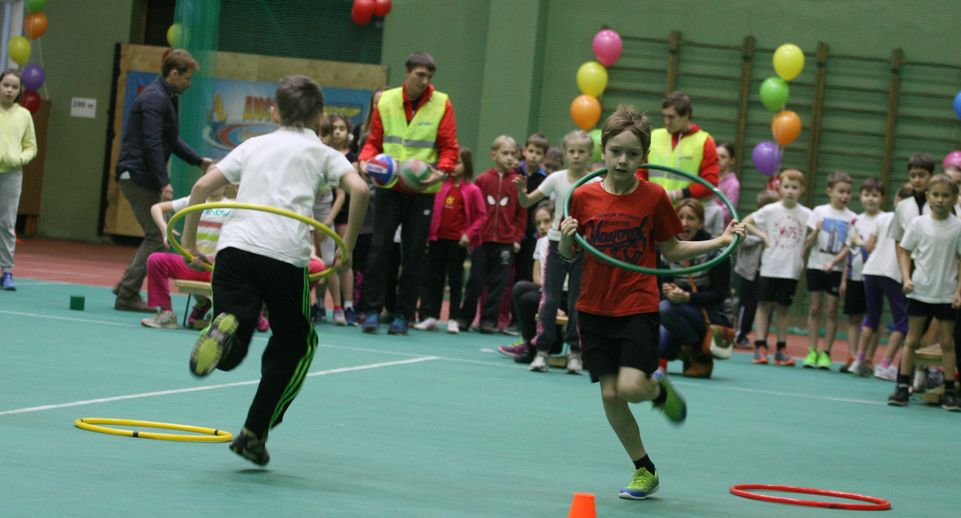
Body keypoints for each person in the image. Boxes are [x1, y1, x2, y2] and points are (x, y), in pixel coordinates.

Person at [180, 75, 369, 465]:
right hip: (284, 255)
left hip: (234, 249)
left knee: (235, 334)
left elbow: (200, 190)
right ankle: (254, 432)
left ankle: (226, 324)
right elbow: (361, 190)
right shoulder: (323, 153)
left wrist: (188, 241)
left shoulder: (253, 144)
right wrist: (345, 251)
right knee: (295, 343)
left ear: (273, 112)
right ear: (320, 117)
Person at [559, 105, 744, 500]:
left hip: (637, 302)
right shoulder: (583, 197)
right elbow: (571, 254)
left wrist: (720, 241)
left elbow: (672, 248)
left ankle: (658, 391)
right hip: (593, 307)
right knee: (610, 394)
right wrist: (563, 239)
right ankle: (644, 469)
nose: (622, 160)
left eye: (631, 153)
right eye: (615, 151)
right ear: (603, 151)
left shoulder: (654, 196)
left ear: (643, 157)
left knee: (629, 385)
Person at [357, 51, 458, 335]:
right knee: (379, 250)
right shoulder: (387, 100)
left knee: (413, 255)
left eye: (429, 77)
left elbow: (450, 147)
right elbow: (374, 141)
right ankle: (372, 311)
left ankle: (403, 314)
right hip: (388, 187)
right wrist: (365, 161)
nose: (425, 81)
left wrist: (442, 170)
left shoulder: (442, 103)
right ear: (407, 72)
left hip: (422, 190)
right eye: (420, 75)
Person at [113, 50, 212, 312]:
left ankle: (124, 285)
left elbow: (170, 139)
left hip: (141, 175)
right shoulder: (155, 99)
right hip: (136, 175)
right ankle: (127, 294)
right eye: (187, 78)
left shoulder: (167, 97)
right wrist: (163, 181)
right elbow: (152, 143)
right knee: (158, 236)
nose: (189, 84)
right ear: (174, 74)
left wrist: (198, 160)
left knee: (157, 234)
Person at [515, 130, 596, 371]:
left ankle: (575, 353)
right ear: (565, 154)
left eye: (582, 152)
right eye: (572, 151)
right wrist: (521, 190)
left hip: (583, 247)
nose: (577, 156)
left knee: (576, 301)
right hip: (555, 244)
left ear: (590, 154)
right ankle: (542, 351)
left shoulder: (595, 183)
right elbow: (526, 202)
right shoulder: (556, 178)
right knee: (549, 299)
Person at [888, 175, 961, 412]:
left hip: (946, 294)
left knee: (948, 343)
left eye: (946, 196)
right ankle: (902, 386)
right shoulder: (918, 224)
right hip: (919, 291)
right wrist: (907, 278)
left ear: (954, 199)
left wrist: (959, 291)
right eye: (936, 195)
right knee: (912, 340)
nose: (940, 200)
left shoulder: (958, 227)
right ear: (928, 196)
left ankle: (950, 392)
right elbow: (904, 252)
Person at [657, 198, 733, 379]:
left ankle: (700, 356)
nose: (684, 223)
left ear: (701, 223)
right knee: (658, 340)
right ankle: (687, 351)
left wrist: (687, 297)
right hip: (680, 310)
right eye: (680, 217)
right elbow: (662, 285)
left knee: (665, 309)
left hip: (714, 316)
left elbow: (720, 295)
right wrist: (668, 291)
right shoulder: (667, 248)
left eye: (690, 218)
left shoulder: (716, 249)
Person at [743, 169, 812, 366]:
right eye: (787, 186)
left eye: (795, 187)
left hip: (791, 268)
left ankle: (781, 347)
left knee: (783, 308)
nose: (790, 191)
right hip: (770, 265)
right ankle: (760, 344)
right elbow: (746, 222)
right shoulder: (770, 210)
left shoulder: (806, 213)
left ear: (802, 190)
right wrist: (763, 235)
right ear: (779, 188)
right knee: (763, 305)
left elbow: (818, 227)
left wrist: (806, 244)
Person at [456, 135, 525, 333]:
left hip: (505, 242)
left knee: (499, 284)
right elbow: (473, 209)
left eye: (513, 154)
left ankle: (489, 320)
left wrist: (517, 238)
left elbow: (522, 213)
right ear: (493, 155)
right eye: (505, 153)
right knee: (475, 281)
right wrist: (470, 233)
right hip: (481, 240)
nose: (509, 158)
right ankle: (465, 317)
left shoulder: (517, 182)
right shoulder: (483, 180)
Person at [415, 148, 486, 333]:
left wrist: (468, 235)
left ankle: (454, 318)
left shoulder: (472, 190)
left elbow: (481, 216)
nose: (454, 166)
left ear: (467, 165)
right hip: (437, 239)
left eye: (459, 163)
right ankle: (432, 316)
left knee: (455, 280)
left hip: (457, 242)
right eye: (451, 162)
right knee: (435, 279)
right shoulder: (440, 186)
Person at [802, 170, 857, 370]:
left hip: (835, 269)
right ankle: (812, 350)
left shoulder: (852, 218)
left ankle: (826, 353)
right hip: (816, 266)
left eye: (848, 192)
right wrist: (815, 230)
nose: (844, 196)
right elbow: (807, 242)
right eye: (841, 191)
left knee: (832, 310)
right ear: (829, 191)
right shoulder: (818, 211)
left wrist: (834, 263)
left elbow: (849, 247)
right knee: (815, 309)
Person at [859, 183, 912, 381]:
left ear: (895, 199)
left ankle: (859, 360)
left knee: (872, 317)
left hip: (871, 270)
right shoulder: (912, 222)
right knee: (902, 320)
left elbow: (869, 245)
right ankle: (885, 364)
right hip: (892, 273)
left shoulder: (882, 217)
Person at [497, 201, 559, 358]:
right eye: (538, 223)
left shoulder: (566, 241)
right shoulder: (540, 242)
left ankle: (539, 346)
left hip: (564, 293)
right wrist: (547, 293)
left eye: (546, 221)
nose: (542, 226)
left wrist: (553, 299)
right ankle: (528, 341)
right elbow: (537, 276)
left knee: (528, 299)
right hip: (547, 290)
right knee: (520, 288)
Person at [639, 90, 719, 203]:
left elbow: (710, 183)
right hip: (652, 206)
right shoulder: (654, 136)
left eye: (671, 117)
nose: (666, 121)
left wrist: (678, 194)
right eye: (664, 116)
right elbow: (640, 172)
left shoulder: (705, 141)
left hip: (684, 213)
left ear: (686, 115)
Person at [842, 178, 884, 375]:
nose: (870, 199)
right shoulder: (855, 221)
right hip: (855, 276)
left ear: (882, 198)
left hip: (876, 276)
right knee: (854, 317)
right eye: (867, 195)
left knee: (873, 318)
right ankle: (852, 356)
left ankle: (868, 357)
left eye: (875, 195)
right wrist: (844, 279)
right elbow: (849, 250)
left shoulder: (885, 220)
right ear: (861, 196)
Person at [0, 69, 37, 291]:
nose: (9, 90)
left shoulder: (24, 115)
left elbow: (31, 146)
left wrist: (19, 159)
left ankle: (6, 272)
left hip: (12, 175)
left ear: (19, 90)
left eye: (14, 87)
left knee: (6, 223)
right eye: (6, 85)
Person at [733, 190, 779, 348]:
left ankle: (762, 338)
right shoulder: (752, 222)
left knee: (767, 304)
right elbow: (742, 241)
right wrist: (761, 237)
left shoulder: (777, 223)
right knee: (748, 304)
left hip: (769, 270)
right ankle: (740, 335)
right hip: (750, 271)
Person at [514, 133, 550, 286]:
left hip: (532, 234)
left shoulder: (545, 180)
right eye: (531, 151)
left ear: (544, 156)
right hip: (512, 232)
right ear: (524, 151)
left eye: (538, 153)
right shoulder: (515, 173)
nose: (534, 156)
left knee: (527, 274)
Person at [714, 141, 740, 224]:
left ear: (732, 161)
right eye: (716, 155)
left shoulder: (733, 184)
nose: (718, 159)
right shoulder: (708, 178)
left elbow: (727, 213)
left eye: (723, 157)